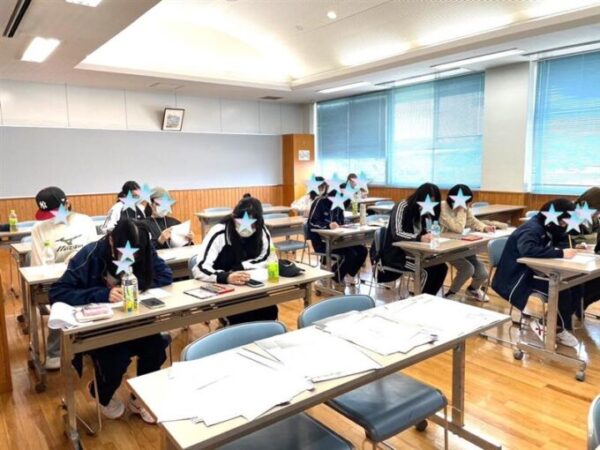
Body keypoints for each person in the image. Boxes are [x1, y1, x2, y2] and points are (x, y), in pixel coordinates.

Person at [49, 219, 173, 422]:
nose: (132, 258)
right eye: (126, 253)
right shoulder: (90, 254)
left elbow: (165, 275)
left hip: (137, 321)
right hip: (101, 328)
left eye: (137, 254)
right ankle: (100, 393)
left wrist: (134, 286)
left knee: (156, 347)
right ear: (111, 241)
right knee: (116, 359)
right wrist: (103, 293)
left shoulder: (143, 247)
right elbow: (58, 292)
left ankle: (139, 398)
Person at [491, 199, 580, 347]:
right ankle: (555, 328)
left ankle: (553, 324)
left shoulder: (549, 225)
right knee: (562, 290)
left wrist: (572, 247)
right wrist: (561, 253)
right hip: (516, 277)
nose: (564, 226)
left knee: (576, 286)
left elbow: (562, 239)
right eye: (563, 222)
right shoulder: (532, 228)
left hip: (534, 271)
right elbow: (528, 250)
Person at [30, 186, 99, 370]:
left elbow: (94, 253)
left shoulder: (84, 222)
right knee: (60, 300)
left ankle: (92, 344)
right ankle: (54, 351)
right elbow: (39, 265)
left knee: (96, 295)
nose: (52, 217)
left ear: (67, 204)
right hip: (56, 280)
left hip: (85, 276)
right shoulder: (39, 229)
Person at [192, 194, 277, 324]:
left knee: (269, 311)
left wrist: (243, 266)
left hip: (250, 284)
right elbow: (200, 268)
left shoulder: (262, 229)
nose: (247, 229)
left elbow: (269, 258)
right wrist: (226, 276)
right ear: (233, 217)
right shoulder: (219, 232)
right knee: (240, 317)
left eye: (253, 225)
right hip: (224, 286)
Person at [379, 183, 448, 295]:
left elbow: (428, 231)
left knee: (442, 267)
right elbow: (397, 233)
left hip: (416, 253)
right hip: (397, 255)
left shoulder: (426, 212)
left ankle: (429, 299)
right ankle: (421, 301)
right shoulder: (402, 206)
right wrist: (420, 238)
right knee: (428, 270)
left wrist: (430, 235)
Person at [439, 184, 495, 302]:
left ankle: (472, 289)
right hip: (445, 247)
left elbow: (472, 220)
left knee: (483, 273)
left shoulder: (463, 206)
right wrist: (461, 209)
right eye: (467, 202)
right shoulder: (442, 208)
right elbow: (458, 228)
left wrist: (484, 227)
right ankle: (451, 293)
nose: (468, 205)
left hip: (461, 244)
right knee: (467, 269)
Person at [307, 179, 368, 286]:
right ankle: (333, 277)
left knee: (362, 250)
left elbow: (340, 221)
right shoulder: (320, 202)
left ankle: (348, 274)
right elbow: (312, 222)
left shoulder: (339, 205)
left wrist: (343, 226)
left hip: (338, 240)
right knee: (350, 254)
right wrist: (328, 225)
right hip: (322, 242)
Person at [574, 187, 600, 312]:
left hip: (588, 260)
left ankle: (580, 305)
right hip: (571, 262)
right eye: (597, 210)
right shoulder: (570, 215)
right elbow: (568, 240)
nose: (598, 214)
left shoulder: (593, 218)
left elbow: (596, 238)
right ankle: (575, 306)